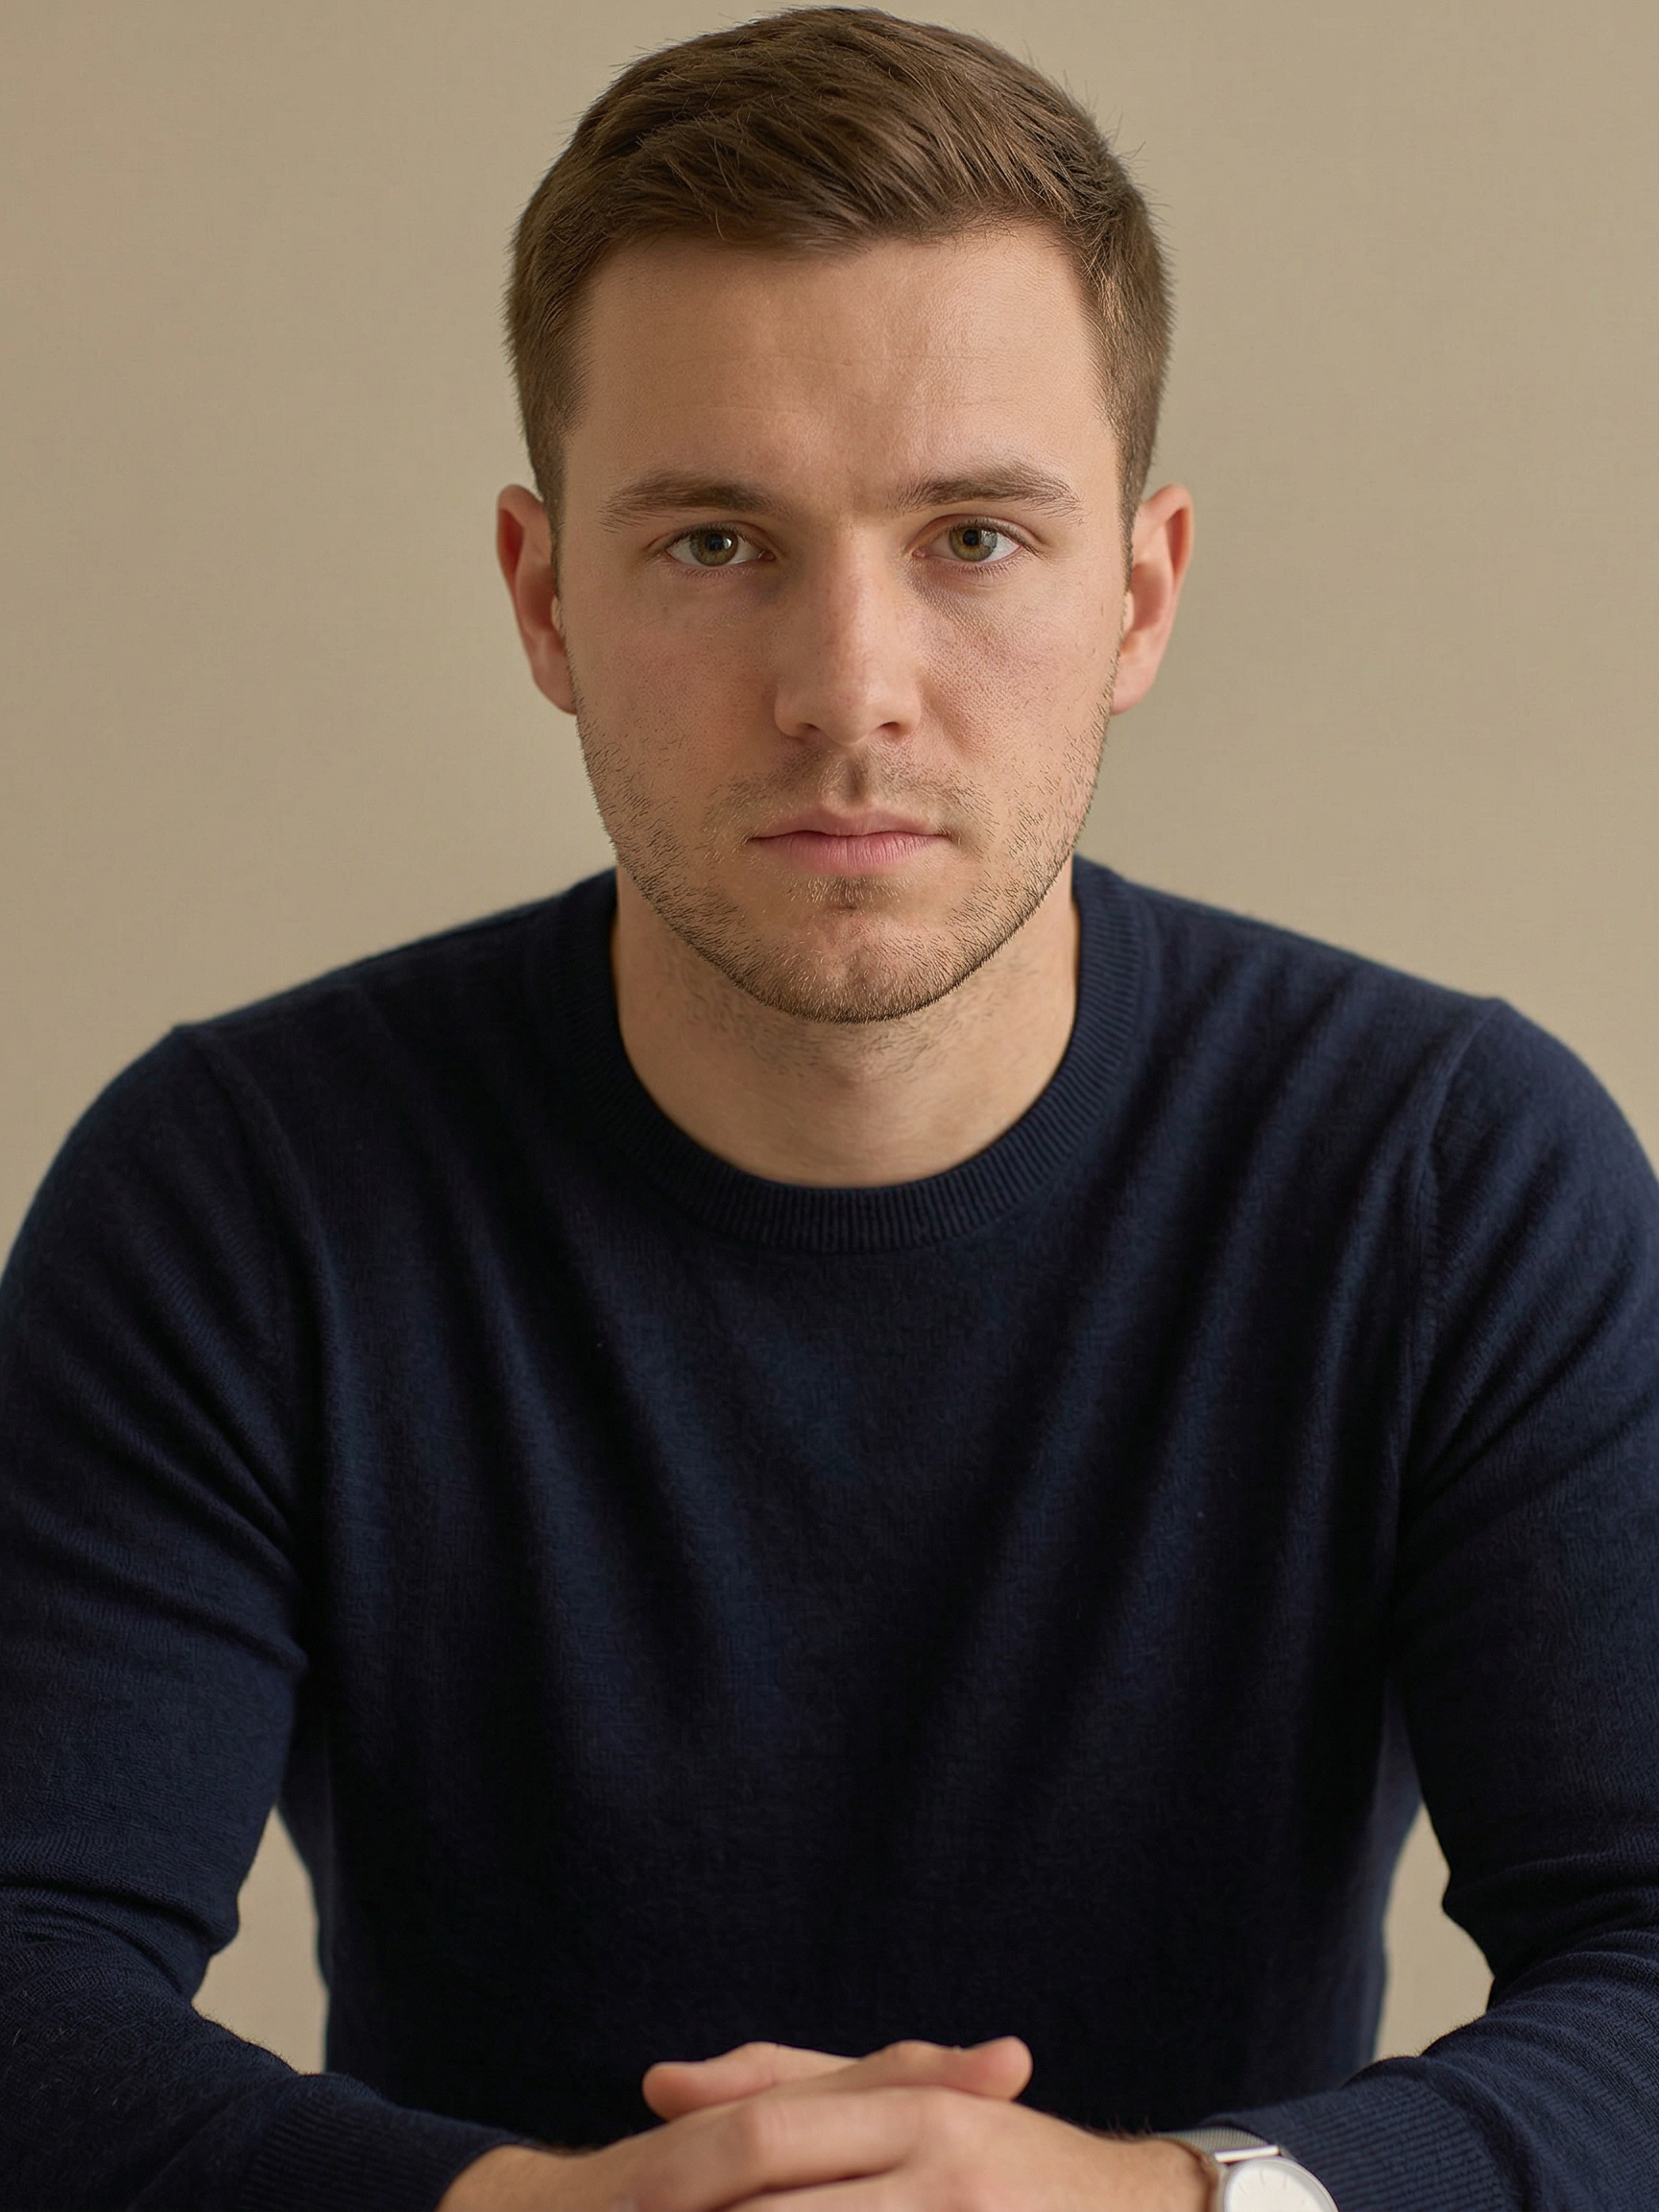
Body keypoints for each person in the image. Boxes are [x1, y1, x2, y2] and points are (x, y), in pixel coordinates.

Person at [2, 9, 1657, 2209]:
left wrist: (1167, 2204)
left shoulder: (1452, 1174)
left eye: (973, 536)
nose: (847, 687)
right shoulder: (239, 1192)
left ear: (1140, 594)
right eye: (713, 543)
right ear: (542, 593)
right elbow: (25, 1979)